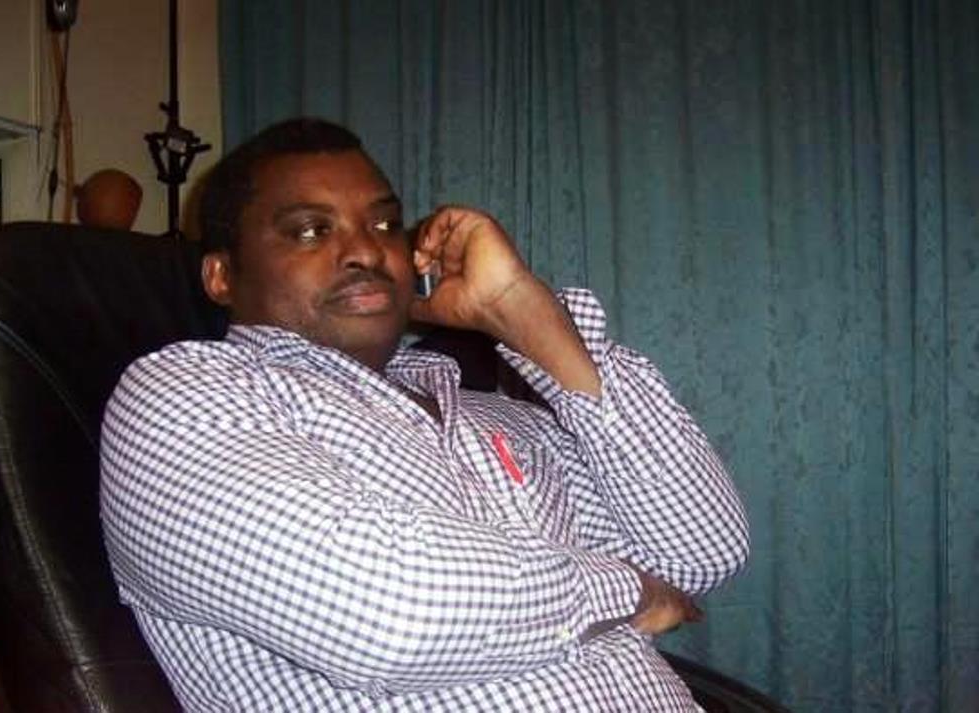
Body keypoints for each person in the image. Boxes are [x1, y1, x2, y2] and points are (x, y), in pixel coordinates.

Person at [100, 118, 749, 711]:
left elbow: (701, 550)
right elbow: (389, 612)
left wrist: (527, 315)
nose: (366, 251)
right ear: (221, 276)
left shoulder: (491, 416)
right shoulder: (185, 394)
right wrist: (628, 592)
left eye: (385, 225)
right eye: (311, 230)